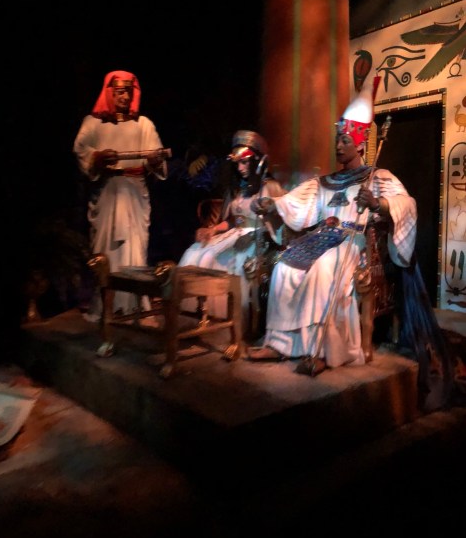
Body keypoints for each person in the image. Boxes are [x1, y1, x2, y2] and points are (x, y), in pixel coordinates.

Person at [247, 78, 418, 375]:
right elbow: (293, 201)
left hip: (354, 240)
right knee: (284, 268)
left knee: (324, 269)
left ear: (360, 143)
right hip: (323, 236)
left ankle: (324, 350)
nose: (338, 145)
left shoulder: (377, 177)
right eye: (337, 139)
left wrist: (378, 203)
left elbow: (407, 204)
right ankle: (280, 343)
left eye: (345, 141)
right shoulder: (324, 182)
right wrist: (273, 205)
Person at [73, 70, 168, 321]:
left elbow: (156, 156)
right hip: (107, 193)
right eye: (119, 92)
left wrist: (155, 160)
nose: (124, 96)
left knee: (135, 249)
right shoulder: (93, 123)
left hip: (135, 192)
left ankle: (135, 306)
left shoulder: (143, 124)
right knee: (105, 250)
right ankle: (105, 306)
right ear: (109, 93)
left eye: (128, 92)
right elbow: (80, 149)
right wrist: (97, 157)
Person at [178, 130, 286, 335]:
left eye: (244, 162)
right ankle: (202, 317)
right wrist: (212, 229)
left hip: (258, 238)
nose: (240, 168)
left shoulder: (270, 187)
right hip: (234, 234)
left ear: (256, 162)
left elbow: (278, 223)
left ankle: (233, 326)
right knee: (199, 253)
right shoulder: (238, 189)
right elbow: (232, 220)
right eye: (237, 163)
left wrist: (258, 234)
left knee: (231, 261)